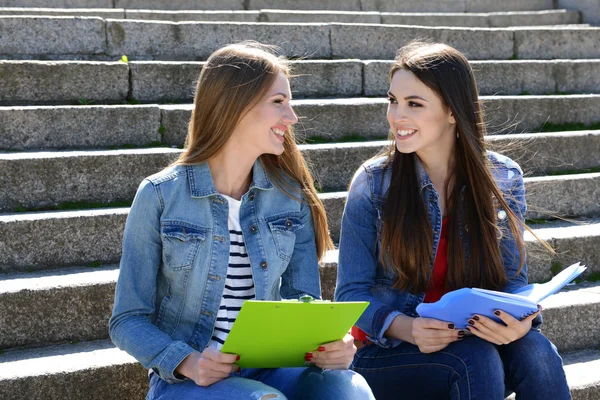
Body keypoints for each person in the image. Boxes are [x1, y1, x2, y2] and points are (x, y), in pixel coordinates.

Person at [109, 41, 374, 400]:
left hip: (273, 370)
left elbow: (304, 301)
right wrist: (187, 361)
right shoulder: (160, 196)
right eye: (279, 102)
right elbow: (127, 320)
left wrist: (332, 345)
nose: (292, 117)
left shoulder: (289, 197)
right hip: (187, 383)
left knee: (349, 388)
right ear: (235, 106)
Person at [335, 41, 571, 400]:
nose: (397, 116)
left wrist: (518, 322)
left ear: (451, 110)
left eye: (414, 104)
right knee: (474, 359)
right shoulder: (372, 183)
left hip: (471, 341)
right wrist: (409, 328)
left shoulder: (503, 177)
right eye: (393, 100)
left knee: (538, 353)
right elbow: (350, 295)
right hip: (386, 355)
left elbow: (511, 281)